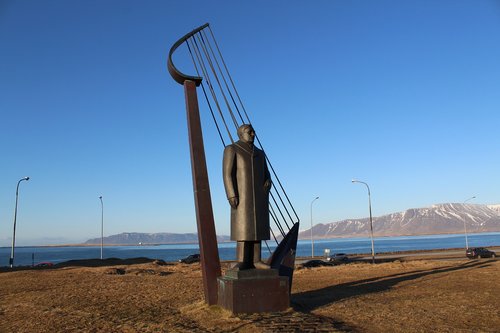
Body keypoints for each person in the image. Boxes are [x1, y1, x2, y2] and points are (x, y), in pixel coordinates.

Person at [223, 124, 271, 270]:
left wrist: (268, 182)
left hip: (259, 196)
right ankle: (242, 260)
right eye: (249, 132)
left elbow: (266, 172)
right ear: (240, 134)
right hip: (242, 196)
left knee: (258, 228)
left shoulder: (260, 153)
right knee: (244, 228)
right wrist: (231, 194)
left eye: (253, 131)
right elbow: (227, 174)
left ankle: (256, 260)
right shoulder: (232, 149)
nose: (252, 134)